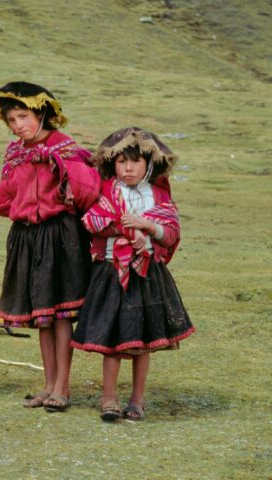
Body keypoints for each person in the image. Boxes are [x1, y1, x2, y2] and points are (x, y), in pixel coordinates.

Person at [70, 127, 195, 421]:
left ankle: (137, 400)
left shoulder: (158, 195)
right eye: (121, 161)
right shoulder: (106, 191)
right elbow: (92, 221)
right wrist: (128, 231)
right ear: (112, 163)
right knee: (111, 341)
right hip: (111, 272)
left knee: (143, 340)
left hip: (147, 275)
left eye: (135, 162)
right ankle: (109, 397)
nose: (128, 168)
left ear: (149, 165)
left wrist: (148, 230)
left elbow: (170, 230)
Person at [0, 81, 101, 412]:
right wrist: (25, 209)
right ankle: (48, 384)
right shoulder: (15, 154)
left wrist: (64, 196)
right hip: (26, 237)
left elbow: (88, 191)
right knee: (42, 317)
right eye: (11, 120)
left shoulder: (65, 150)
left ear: (42, 113)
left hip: (60, 237)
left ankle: (62, 387)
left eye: (23, 116)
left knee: (61, 314)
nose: (18, 125)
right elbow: (2, 201)